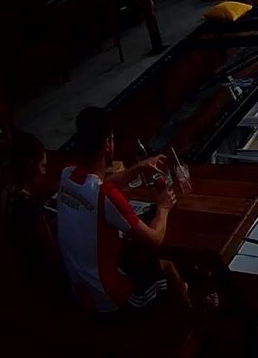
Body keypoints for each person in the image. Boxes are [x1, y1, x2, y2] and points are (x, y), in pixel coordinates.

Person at [56, 107, 188, 313]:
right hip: (110, 298)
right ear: (108, 144)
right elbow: (154, 239)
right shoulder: (106, 196)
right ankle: (191, 319)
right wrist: (163, 208)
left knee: (135, 257)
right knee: (168, 266)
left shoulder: (68, 176)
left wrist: (137, 168)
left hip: (80, 289)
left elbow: (100, 184)